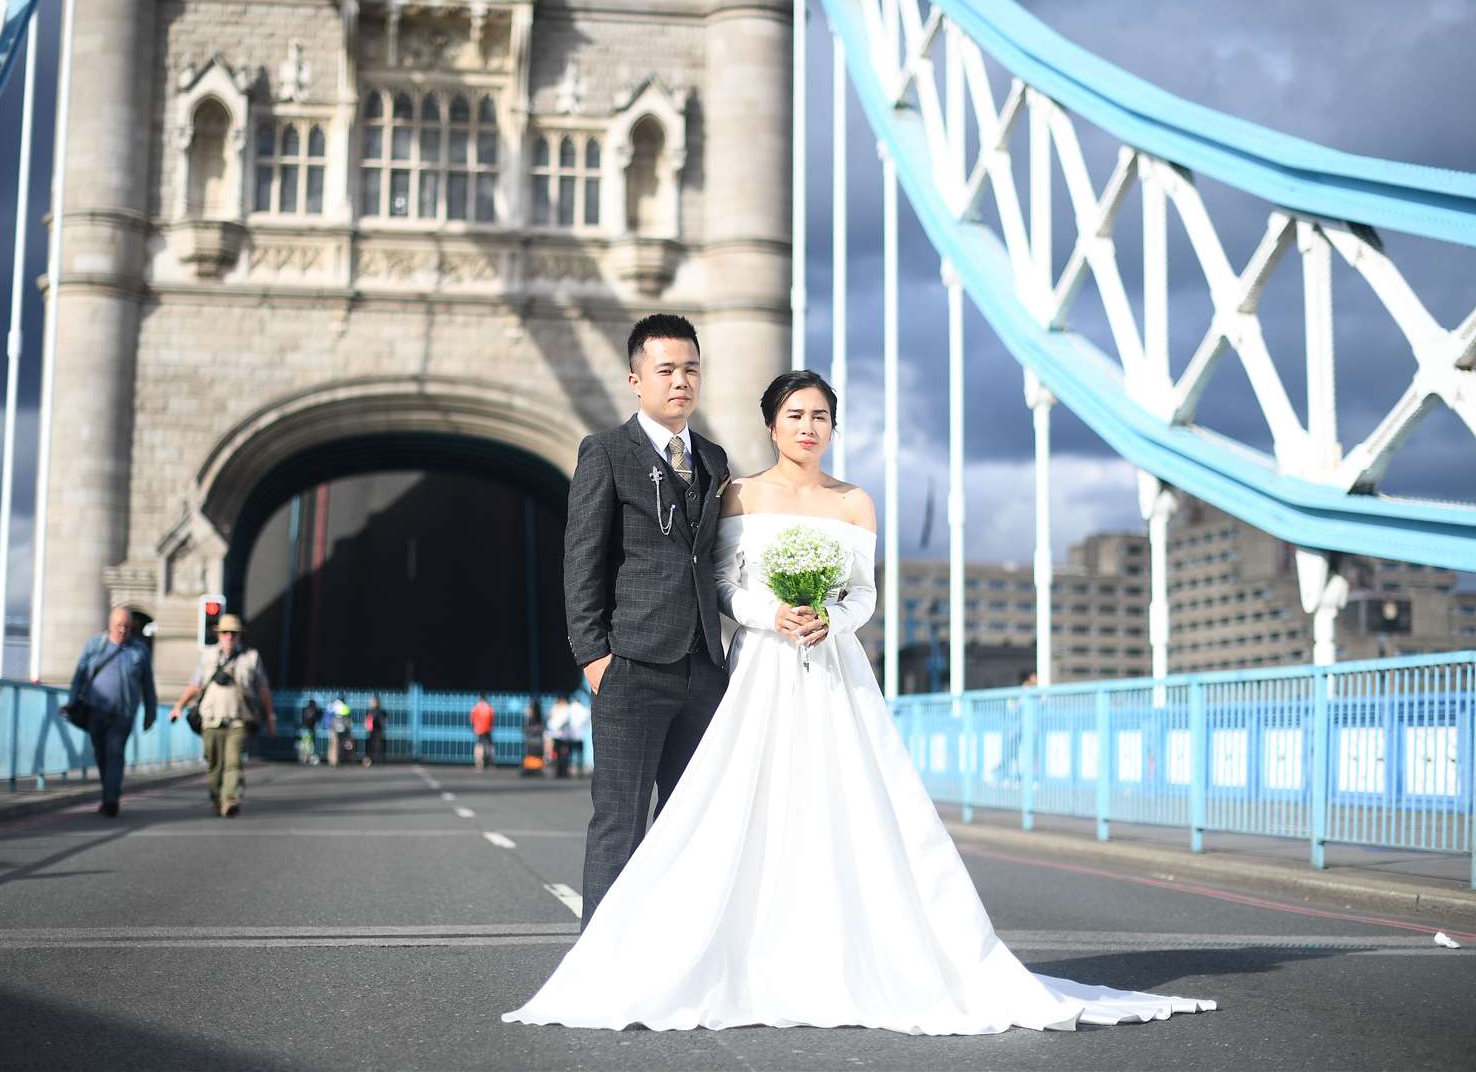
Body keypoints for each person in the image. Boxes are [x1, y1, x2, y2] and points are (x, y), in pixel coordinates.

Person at [505, 371, 1214, 1033]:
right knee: (739, 809)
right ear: (771, 425)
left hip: (835, 670)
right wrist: (769, 615)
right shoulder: (739, 494)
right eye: (795, 416)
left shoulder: (855, 501)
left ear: (834, 427)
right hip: (760, 668)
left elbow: (865, 596)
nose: (808, 427)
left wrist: (828, 618)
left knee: (849, 806)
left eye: (820, 417)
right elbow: (720, 584)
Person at [560, 314, 731, 928]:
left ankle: (675, 951)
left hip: (704, 670)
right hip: (631, 665)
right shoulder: (605, 453)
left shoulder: (713, 459)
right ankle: (600, 961)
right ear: (636, 380)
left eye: (690, 369)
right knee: (620, 819)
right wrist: (593, 655)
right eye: (666, 370)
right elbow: (582, 559)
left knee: (691, 821)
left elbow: (710, 560)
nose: (680, 381)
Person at [168, 614, 273, 817]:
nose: (229, 637)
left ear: (239, 636)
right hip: (211, 721)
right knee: (215, 766)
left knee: (233, 763)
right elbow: (194, 685)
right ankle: (217, 797)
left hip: (238, 721)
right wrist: (179, 705)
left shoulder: (251, 658)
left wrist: (270, 716)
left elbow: (263, 689)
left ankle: (230, 800)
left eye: (234, 633)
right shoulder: (208, 656)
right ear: (219, 635)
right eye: (225, 633)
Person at [66, 606, 159, 818]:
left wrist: (150, 713)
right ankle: (110, 791)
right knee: (101, 754)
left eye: (126, 626)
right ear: (110, 625)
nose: (123, 630)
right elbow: (79, 676)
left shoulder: (139, 650)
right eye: (119, 626)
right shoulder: (95, 646)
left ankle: (110, 800)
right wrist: (71, 702)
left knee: (115, 753)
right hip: (96, 710)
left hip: (124, 713)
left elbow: (148, 685)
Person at [546, 694, 572, 779]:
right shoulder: (555, 708)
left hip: (563, 736)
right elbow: (551, 719)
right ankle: (557, 771)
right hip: (556, 735)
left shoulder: (567, 708)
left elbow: (565, 720)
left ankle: (563, 771)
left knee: (563, 754)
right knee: (556, 754)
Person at [521, 698, 547, 777]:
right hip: (534, 741)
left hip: (535, 741)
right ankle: (532, 767)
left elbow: (541, 728)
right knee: (532, 754)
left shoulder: (538, 717)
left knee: (534, 754)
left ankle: (534, 768)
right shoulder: (530, 717)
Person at [470, 693, 495, 771]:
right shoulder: (490, 708)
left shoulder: (475, 708)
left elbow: (472, 720)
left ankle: (479, 764)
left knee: (479, 746)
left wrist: (474, 728)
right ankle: (490, 764)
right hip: (487, 729)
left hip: (478, 729)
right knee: (490, 746)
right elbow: (492, 720)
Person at [327, 695, 353, 767]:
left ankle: (334, 760)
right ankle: (334, 760)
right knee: (335, 744)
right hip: (335, 728)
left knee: (335, 744)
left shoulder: (332, 706)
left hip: (336, 728)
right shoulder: (339, 706)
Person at [364, 695, 386, 767]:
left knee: (379, 745)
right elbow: (367, 720)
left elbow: (383, 720)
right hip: (371, 730)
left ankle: (379, 759)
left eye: (374, 702)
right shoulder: (369, 711)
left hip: (378, 730)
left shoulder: (381, 711)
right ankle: (370, 759)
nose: (372, 703)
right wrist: (367, 725)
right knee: (370, 745)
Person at [298, 698, 321, 765]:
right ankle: (306, 759)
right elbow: (310, 719)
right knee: (308, 746)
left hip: (308, 730)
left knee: (308, 745)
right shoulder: (309, 710)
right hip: (307, 730)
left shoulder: (308, 710)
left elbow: (319, 713)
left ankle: (306, 759)